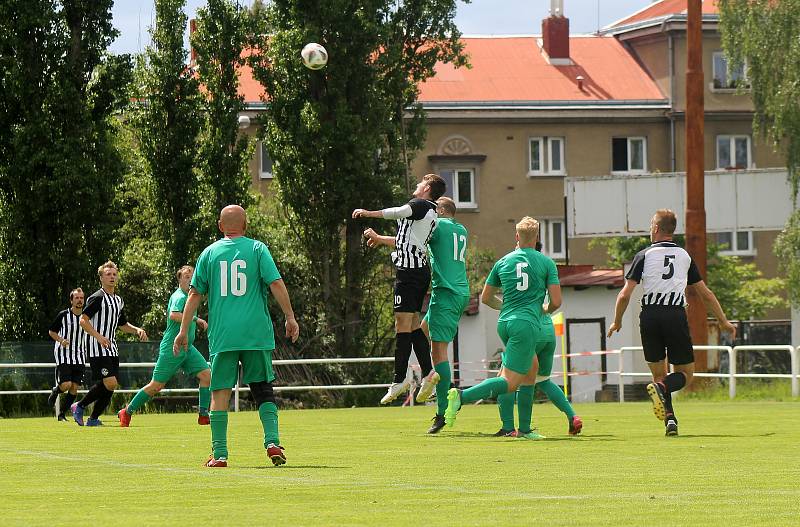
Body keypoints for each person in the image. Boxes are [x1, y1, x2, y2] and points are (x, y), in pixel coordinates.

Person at [174, 205, 299, 468]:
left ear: (221, 226)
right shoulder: (257, 249)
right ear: (246, 224)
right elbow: (275, 283)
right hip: (256, 333)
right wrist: (289, 316)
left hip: (223, 336)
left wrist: (184, 330)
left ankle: (219, 454)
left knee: (219, 392)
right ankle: (272, 441)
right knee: (263, 387)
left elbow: (195, 294)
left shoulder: (209, 253)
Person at [608, 209, 736, 436]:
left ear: (656, 229)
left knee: (658, 374)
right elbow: (705, 293)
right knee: (685, 375)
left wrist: (616, 321)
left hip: (649, 316)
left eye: (650, 226)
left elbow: (625, 295)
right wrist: (723, 321)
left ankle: (670, 419)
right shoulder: (684, 256)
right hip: (674, 315)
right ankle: (663, 394)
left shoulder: (643, 255)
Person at [364, 196, 470, 433]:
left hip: (447, 292)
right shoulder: (461, 229)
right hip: (450, 291)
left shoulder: (437, 225)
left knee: (439, 350)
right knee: (418, 332)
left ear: (439, 211)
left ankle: (443, 409)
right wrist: (381, 240)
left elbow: (411, 241)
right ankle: (428, 378)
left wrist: (381, 237)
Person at [445, 217, 558, 436]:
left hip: (505, 323)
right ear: (537, 238)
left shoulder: (504, 261)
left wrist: (507, 306)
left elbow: (486, 298)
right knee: (509, 383)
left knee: (530, 370)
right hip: (526, 325)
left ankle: (519, 429)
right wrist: (544, 310)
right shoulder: (546, 263)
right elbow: (556, 301)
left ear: (516, 236)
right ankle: (461, 396)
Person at [353, 173, 446, 405]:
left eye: (421, 182)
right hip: (418, 272)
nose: (417, 184)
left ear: (427, 189)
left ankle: (399, 379)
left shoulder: (420, 204)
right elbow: (405, 240)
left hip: (409, 274)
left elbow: (397, 212)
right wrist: (379, 238)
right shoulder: (429, 211)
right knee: (413, 325)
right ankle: (429, 373)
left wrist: (368, 213)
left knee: (401, 325)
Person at [494, 243, 582, 438]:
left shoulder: (511, 265)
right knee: (543, 380)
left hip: (527, 329)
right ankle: (572, 416)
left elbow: (491, 296)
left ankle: (508, 427)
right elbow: (555, 301)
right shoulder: (543, 269)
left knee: (508, 378)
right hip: (547, 330)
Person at [118, 266, 211, 427]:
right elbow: (174, 315)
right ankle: (126, 411)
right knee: (156, 386)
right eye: (186, 276)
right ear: (180, 279)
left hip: (187, 348)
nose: (190, 279)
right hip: (171, 348)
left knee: (206, 375)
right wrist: (198, 320)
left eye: (192, 276)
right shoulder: (179, 296)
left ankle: (203, 415)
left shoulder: (191, 297)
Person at [71, 261, 148, 426]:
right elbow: (83, 321)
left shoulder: (118, 300)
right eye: (108, 274)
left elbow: (122, 325)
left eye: (114, 274)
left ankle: (93, 419)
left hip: (111, 348)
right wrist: (98, 337)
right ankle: (80, 405)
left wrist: (136, 330)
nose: (112, 277)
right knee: (110, 382)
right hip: (97, 347)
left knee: (110, 385)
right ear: (101, 278)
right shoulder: (97, 297)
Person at [47, 288, 88, 421]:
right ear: (71, 300)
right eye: (76, 298)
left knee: (74, 387)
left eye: (81, 298)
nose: (79, 300)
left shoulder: (87, 317)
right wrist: (61, 340)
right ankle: (56, 391)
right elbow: (52, 332)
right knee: (66, 384)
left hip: (80, 355)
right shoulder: (63, 315)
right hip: (63, 353)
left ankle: (62, 414)